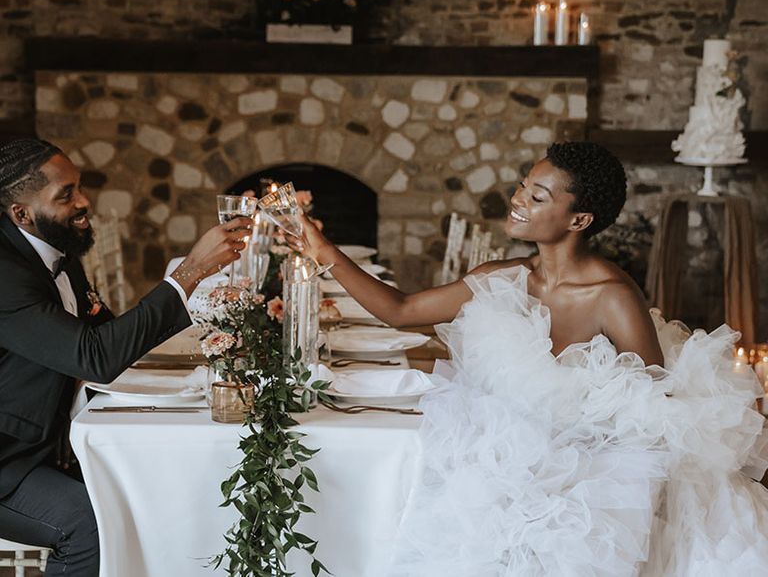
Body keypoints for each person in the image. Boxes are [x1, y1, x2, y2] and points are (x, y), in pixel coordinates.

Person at [294, 141, 768, 575]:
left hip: (589, 491)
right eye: (524, 185)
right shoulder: (501, 278)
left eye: (538, 197)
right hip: (502, 474)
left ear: (578, 219)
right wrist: (323, 250)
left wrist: (563, 469)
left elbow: (654, 411)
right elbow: (400, 311)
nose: (518, 199)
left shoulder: (613, 297)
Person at [0, 137, 252, 576]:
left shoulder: (58, 247)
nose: (84, 202)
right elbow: (94, 357)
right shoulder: (5, 272)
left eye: (79, 186)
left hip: (51, 443)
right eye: (66, 195)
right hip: (9, 458)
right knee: (88, 523)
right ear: (21, 213)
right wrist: (190, 272)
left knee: (154, 489)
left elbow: (107, 335)